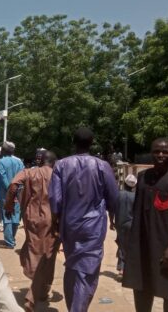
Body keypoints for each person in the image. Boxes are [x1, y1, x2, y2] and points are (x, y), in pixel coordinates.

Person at [49, 127, 118, 312]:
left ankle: (74, 307)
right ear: (92, 142)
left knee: (72, 266)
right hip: (93, 227)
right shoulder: (102, 166)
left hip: (69, 225)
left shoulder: (61, 165)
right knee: (87, 270)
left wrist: (56, 224)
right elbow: (114, 199)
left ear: (74, 142)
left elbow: (55, 200)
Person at [123, 138, 168, 312]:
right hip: (142, 244)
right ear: (151, 153)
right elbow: (137, 211)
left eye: (165, 151)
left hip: (166, 244)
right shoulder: (143, 177)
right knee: (140, 285)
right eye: (156, 151)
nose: (160, 155)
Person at [5, 150, 59, 311]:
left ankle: (41, 289)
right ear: (53, 163)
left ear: (40, 161)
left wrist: (9, 205)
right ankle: (34, 295)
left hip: (31, 218)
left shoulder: (29, 172)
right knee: (47, 255)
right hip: (52, 220)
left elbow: (14, 184)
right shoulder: (58, 175)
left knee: (34, 250)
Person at [0, 141, 24, 249]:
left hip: (6, 194)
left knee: (7, 215)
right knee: (16, 216)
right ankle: (12, 238)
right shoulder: (19, 162)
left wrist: (10, 190)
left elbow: (3, 178)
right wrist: (16, 190)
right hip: (18, 192)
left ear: (3, 151)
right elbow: (22, 177)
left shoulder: (1, 162)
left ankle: (9, 242)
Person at [115, 173, 137, 277]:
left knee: (121, 245)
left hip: (119, 224)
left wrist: (112, 221)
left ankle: (122, 268)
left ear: (124, 183)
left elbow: (112, 210)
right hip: (131, 224)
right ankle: (127, 269)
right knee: (129, 246)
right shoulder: (136, 197)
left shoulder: (118, 194)